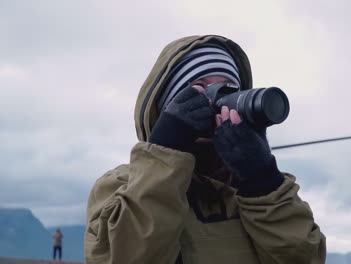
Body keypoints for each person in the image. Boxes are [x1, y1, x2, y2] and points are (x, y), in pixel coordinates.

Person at [85, 35, 326, 264]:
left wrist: (262, 179)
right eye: (200, 88)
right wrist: (164, 149)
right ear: (168, 105)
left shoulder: (260, 193)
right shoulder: (119, 185)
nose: (216, 100)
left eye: (229, 89)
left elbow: (306, 258)